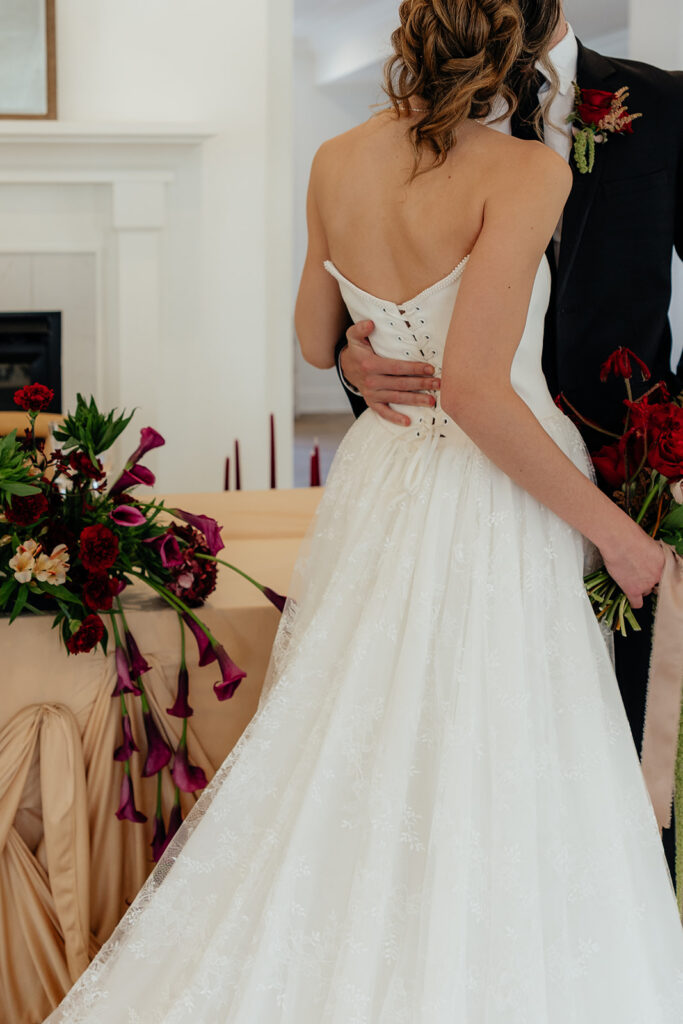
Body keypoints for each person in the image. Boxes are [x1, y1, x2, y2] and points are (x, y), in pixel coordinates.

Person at [46, 2, 683, 1021]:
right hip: (498, 494)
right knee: (500, 740)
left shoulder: (335, 158)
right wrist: (616, 535)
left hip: (383, 481)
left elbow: (313, 338)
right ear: (516, 42)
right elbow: (474, 389)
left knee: (361, 725)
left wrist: (364, 340)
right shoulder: (524, 171)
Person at [335, 0, 683, 879]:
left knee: (627, 735)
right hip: (467, 485)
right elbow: (373, 307)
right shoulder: (417, 125)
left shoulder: (667, 104)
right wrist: (355, 357)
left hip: (636, 469)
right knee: (460, 730)